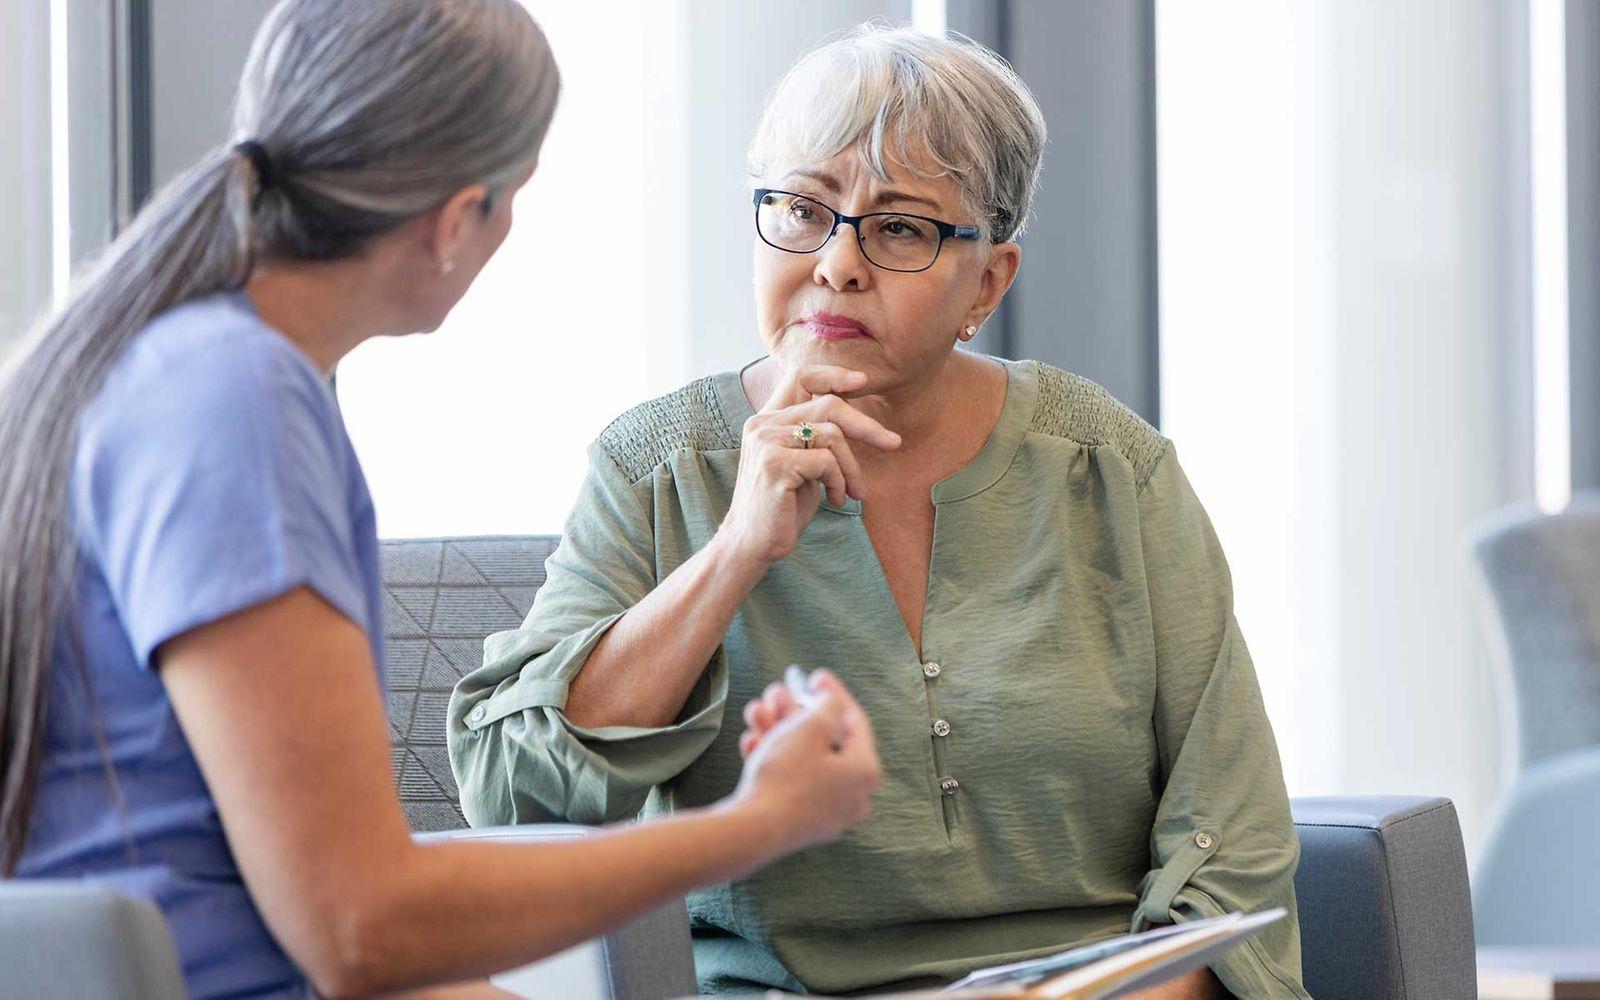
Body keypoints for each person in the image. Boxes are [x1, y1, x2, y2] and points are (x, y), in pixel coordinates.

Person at [0, 2, 880, 997]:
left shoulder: (170, 368)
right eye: (516, 203)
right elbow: (362, 925)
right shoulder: (237, 402)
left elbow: (319, 914)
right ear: (460, 217)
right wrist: (758, 824)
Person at [450, 23, 1308, 999]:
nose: (836, 263)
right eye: (803, 211)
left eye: (898, 227)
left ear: (987, 279)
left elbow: (1232, 831)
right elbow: (511, 795)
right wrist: (735, 546)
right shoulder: (654, 468)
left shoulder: (1112, 468)